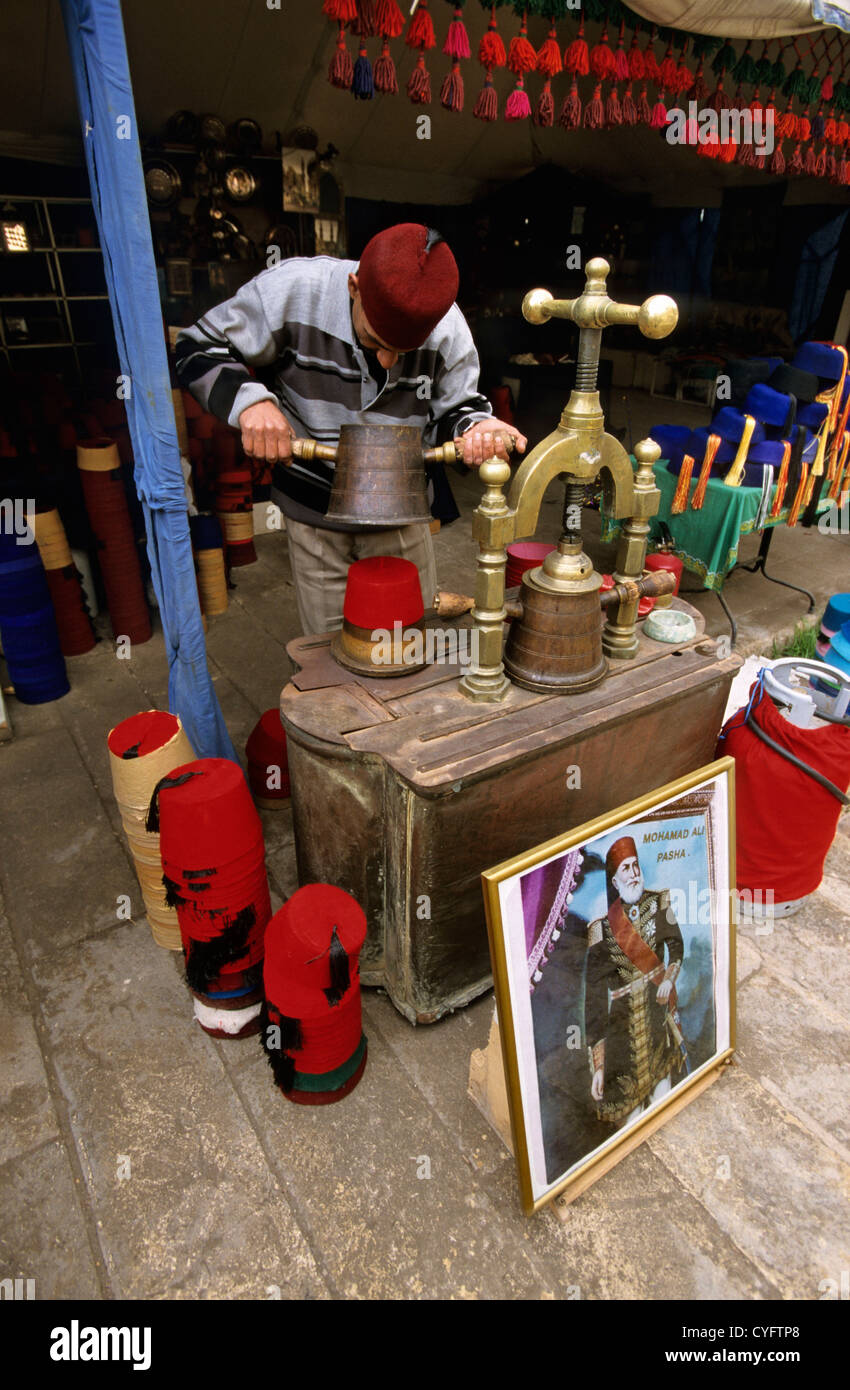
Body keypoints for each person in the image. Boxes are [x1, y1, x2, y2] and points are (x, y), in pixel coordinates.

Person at [175, 223, 525, 633]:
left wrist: (477, 427)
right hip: (314, 510)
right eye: (375, 340)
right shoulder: (292, 290)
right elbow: (195, 346)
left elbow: (457, 408)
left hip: (401, 512)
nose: (388, 362)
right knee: (327, 658)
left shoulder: (445, 323)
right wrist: (249, 402)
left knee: (409, 644)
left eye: (404, 351)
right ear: (354, 287)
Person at [584, 836, 686, 1127]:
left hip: (657, 1025)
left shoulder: (658, 902)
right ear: (615, 882)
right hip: (621, 1039)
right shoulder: (601, 930)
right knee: (632, 1122)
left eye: (635, 865)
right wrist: (600, 1064)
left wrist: (668, 977)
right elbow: (593, 1002)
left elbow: (676, 948)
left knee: (664, 1103)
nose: (634, 872)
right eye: (626, 869)